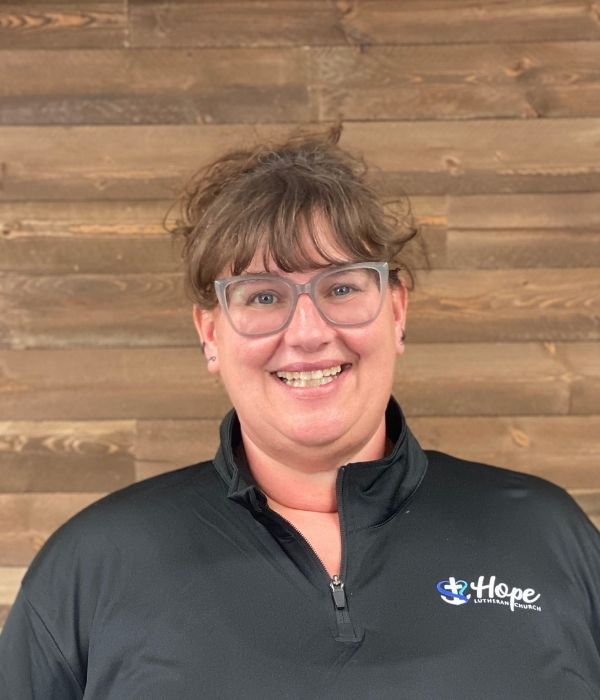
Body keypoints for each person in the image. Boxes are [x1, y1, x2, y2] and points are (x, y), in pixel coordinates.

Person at [1, 128, 599, 699]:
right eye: (264, 296)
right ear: (210, 334)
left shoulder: (548, 538)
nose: (308, 333)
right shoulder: (94, 567)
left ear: (396, 312)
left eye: (341, 288)